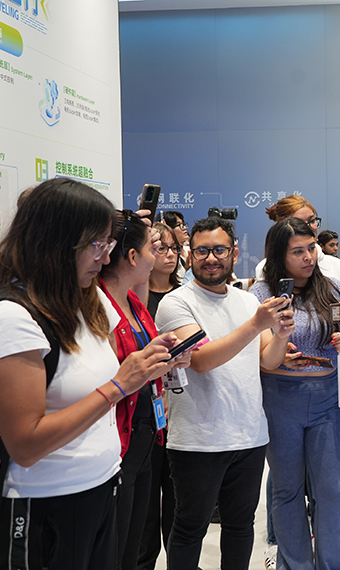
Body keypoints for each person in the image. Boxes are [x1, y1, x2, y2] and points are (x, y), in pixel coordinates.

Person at [0, 178, 187, 570]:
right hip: (42, 504)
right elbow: (25, 444)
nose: (105, 258)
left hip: (101, 487)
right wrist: (119, 386)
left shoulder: (86, 301)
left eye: (108, 244)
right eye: (97, 245)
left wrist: (154, 362)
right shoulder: (11, 318)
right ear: (58, 242)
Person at [157, 216, 293, 570]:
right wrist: (257, 324)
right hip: (197, 439)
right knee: (190, 527)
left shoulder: (246, 301)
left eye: (219, 250)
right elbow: (201, 360)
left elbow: (268, 360)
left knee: (240, 526)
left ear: (233, 252)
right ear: (189, 254)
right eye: (201, 251)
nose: (210, 258)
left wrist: (280, 336)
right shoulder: (175, 303)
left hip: (249, 435)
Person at [254, 195, 340, 568]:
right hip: (280, 397)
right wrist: (282, 339)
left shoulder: (334, 287)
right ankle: (294, 564)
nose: (308, 257)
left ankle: (332, 563)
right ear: (279, 255)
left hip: (326, 398)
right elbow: (266, 359)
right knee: (287, 490)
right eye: (297, 251)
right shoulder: (261, 294)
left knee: (331, 491)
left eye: (311, 248)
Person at [98, 210, 165, 570]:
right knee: (117, 542)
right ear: (133, 257)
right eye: (151, 249)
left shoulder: (134, 302)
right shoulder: (97, 305)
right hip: (118, 436)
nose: (157, 258)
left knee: (136, 539)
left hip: (144, 431)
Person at [137, 221, 182, 570]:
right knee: (145, 502)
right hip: (143, 409)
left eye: (173, 248)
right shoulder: (133, 299)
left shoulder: (185, 296)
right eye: (159, 247)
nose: (167, 254)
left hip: (180, 408)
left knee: (178, 497)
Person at [161, 211, 190, 281]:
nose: (184, 228)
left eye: (183, 224)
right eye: (179, 225)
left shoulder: (189, 250)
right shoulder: (166, 256)